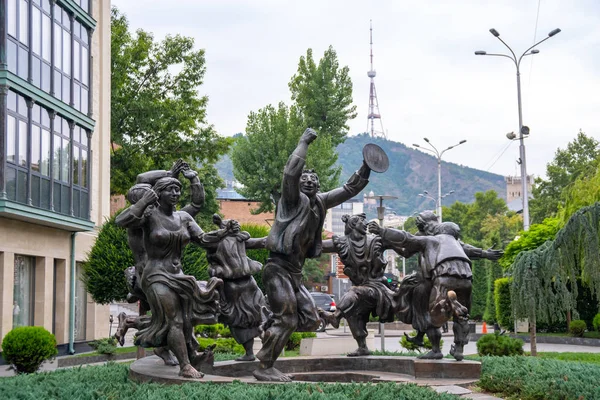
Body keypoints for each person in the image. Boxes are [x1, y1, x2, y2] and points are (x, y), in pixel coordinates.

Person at [254, 128, 371, 381]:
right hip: (277, 268)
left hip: (295, 273)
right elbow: (290, 173)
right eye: (304, 178)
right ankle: (264, 367)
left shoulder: (319, 202)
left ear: (318, 185)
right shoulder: (291, 199)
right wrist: (303, 142)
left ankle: (267, 324)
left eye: (313, 179)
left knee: (308, 318)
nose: (308, 181)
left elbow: (348, 190)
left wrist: (366, 167)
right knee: (286, 318)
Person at [116, 176, 222, 378]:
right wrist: (144, 201)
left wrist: (223, 233)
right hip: (155, 275)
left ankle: (188, 355)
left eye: (177, 190)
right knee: (175, 320)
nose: (175, 194)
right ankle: (185, 366)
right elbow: (121, 221)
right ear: (159, 193)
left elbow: (203, 239)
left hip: (179, 275)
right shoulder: (149, 215)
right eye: (170, 190)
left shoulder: (184, 217)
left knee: (188, 320)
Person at [368, 219, 489, 360]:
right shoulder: (457, 244)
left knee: (432, 316)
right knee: (462, 317)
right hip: (466, 279)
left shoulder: (433, 240)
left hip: (444, 277)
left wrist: (382, 231)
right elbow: (471, 250)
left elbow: (407, 238)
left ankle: (436, 347)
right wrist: (486, 254)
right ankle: (459, 349)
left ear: (440, 230)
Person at [318, 213, 397, 356]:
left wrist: (382, 231)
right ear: (353, 224)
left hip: (377, 287)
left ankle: (335, 316)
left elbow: (401, 241)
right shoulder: (343, 243)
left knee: (353, 292)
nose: (366, 223)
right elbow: (319, 246)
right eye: (362, 221)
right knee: (352, 313)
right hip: (360, 291)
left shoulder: (375, 241)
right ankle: (362, 347)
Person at [198, 214, 268, 361]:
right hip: (244, 283)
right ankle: (256, 351)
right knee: (252, 317)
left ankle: (256, 350)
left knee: (243, 318)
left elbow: (204, 239)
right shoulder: (234, 239)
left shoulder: (235, 239)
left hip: (239, 285)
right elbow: (261, 242)